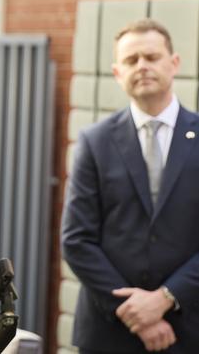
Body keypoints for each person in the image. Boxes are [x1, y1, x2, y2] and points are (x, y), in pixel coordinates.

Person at [61, 19, 199, 353]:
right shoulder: (94, 142)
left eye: (151, 57)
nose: (143, 67)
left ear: (174, 63)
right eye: (131, 60)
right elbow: (76, 239)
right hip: (109, 331)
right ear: (117, 72)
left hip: (187, 328)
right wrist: (137, 313)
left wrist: (166, 298)